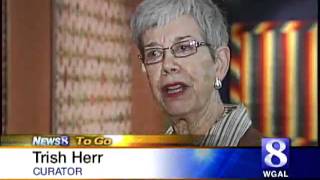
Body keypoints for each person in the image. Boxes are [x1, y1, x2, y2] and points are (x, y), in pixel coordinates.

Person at [130, 0, 262, 146]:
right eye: (154, 53)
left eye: (184, 47)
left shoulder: (263, 155)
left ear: (219, 63)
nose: (167, 65)